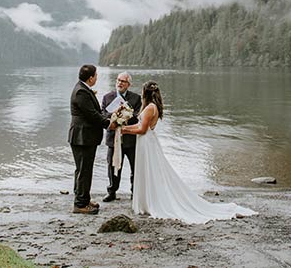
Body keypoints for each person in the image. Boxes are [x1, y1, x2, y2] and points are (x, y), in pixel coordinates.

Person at [118, 81, 257, 224]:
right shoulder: (152, 107)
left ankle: (152, 201)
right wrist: (123, 127)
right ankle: (148, 200)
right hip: (147, 142)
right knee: (150, 172)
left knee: (151, 171)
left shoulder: (149, 108)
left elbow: (142, 130)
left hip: (146, 142)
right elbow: (140, 126)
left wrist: (123, 130)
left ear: (144, 93)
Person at [68, 64, 111, 215]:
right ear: (91, 77)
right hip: (82, 137)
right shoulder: (81, 92)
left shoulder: (83, 88)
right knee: (84, 170)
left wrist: (110, 116)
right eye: (96, 75)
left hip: (85, 137)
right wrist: (110, 124)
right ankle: (80, 204)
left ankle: (84, 198)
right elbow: (92, 115)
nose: (97, 77)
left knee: (83, 169)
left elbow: (96, 112)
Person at [101, 72, 142, 202]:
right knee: (112, 166)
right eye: (118, 80)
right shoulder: (107, 97)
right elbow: (102, 115)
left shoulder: (136, 98)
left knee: (135, 167)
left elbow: (137, 116)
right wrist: (113, 117)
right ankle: (112, 191)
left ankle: (134, 192)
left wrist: (125, 116)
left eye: (123, 81)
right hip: (113, 138)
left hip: (130, 138)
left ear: (128, 84)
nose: (120, 83)